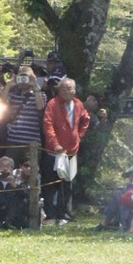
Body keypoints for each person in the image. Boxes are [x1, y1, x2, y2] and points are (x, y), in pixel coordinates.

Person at [42, 77, 90, 224]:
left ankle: (65, 212)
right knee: (51, 183)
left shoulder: (78, 104)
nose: (66, 91)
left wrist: (79, 136)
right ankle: (50, 213)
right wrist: (55, 144)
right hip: (54, 152)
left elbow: (86, 119)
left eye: (69, 89)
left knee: (68, 183)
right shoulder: (52, 104)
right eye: (63, 89)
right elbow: (48, 125)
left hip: (71, 151)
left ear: (74, 90)